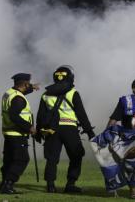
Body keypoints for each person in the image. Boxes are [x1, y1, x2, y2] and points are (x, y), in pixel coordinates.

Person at [36, 65, 95, 193]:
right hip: (70, 129)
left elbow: (40, 115)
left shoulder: (46, 94)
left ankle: (50, 186)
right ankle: (70, 184)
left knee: (52, 158)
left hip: (52, 130)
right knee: (76, 156)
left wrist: (38, 131)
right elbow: (81, 114)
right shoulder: (73, 93)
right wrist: (90, 132)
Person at [0, 73, 39, 194]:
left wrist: (32, 88)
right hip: (17, 134)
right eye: (29, 84)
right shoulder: (18, 99)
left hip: (8, 133)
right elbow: (14, 116)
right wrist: (30, 127)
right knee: (22, 159)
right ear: (25, 84)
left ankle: (3, 184)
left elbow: (21, 92)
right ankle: (8, 184)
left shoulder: (9, 93)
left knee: (9, 160)